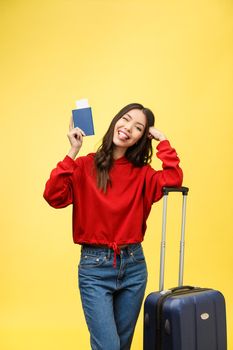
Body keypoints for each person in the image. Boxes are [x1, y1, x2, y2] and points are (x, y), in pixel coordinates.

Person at [43, 102, 183, 350]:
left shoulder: (144, 174)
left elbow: (173, 179)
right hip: (94, 268)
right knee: (108, 346)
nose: (128, 128)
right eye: (126, 119)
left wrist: (163, 141)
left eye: (138, 127)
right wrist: (73, 150)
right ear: (116, 120)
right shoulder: (86, 165)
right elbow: (53, 196)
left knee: (122, 345)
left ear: (142, 137)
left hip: (134, 266)